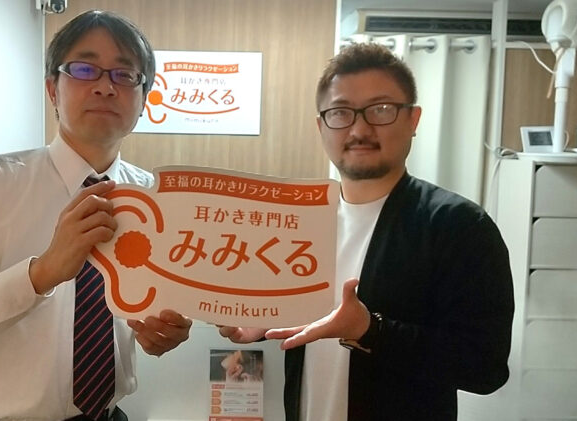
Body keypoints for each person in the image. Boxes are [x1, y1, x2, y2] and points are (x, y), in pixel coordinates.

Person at [0, 10, 192, 421]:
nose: (105, 86)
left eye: (125, 74)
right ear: (52, 89)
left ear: (144, 100)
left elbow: (151, 313)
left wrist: (163, 331)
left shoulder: (155, 200)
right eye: (84, 69)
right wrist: (39, 274)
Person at [219, 43, 514, 421]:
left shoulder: (458, 226)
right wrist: (257, 322)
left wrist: (369, 329)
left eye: (381, 109)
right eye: (340, 112)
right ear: (321, 126)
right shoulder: (298, 223)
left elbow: (486, 367)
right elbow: (282, 325)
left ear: (413, 120)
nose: (359, 129)